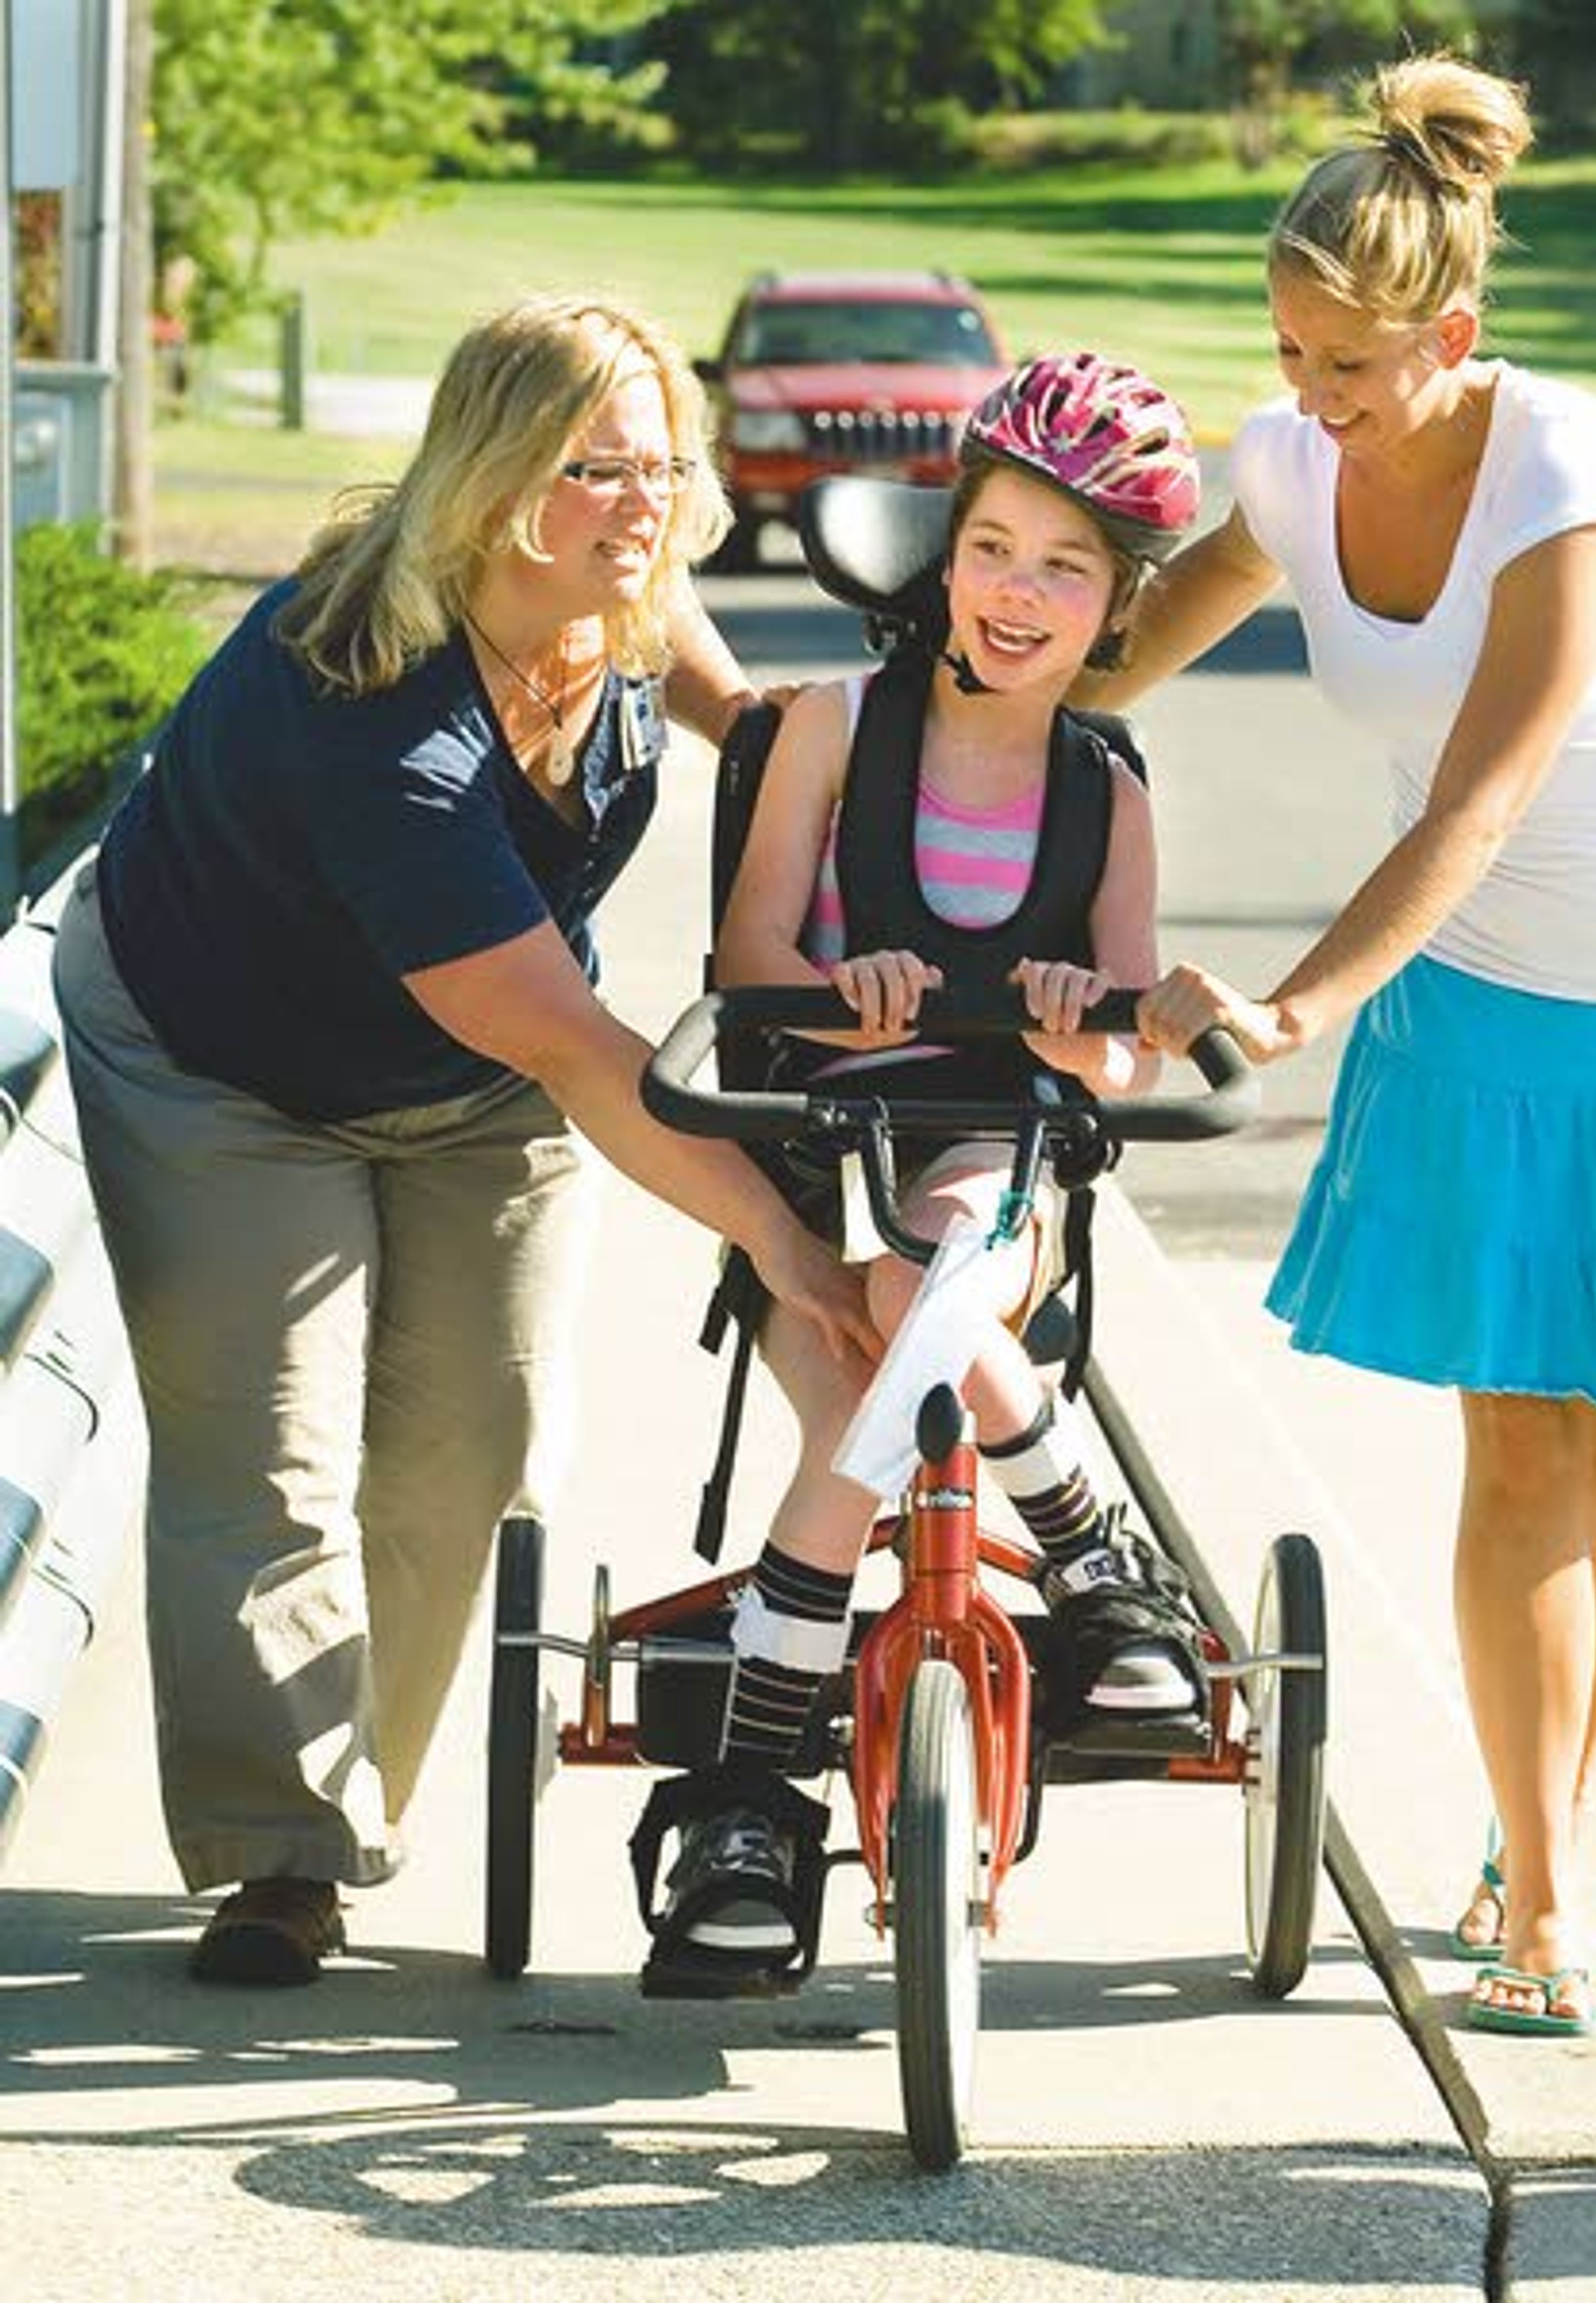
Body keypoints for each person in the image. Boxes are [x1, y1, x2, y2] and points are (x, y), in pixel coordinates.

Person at [1122, 58, 1596, 2038]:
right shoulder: (1289, 467)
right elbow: (1096, 653)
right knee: (1523, 1435)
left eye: (1347, 362)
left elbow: (1483, 798)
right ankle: (1540, 1887)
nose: (1306, 397)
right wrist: (933, 649)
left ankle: (1559, 1800)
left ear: (1451, 336)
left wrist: (1296, 1000)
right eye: (1286, 351)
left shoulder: (1565, 463)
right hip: (1480, 1000)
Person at [51, 294, 875, 1987]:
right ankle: (283, 1861)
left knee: (474, 1447)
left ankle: (361, 1794)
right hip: (224, 1055)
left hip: (474, 1062)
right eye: (595, 469)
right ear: (497, 478)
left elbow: (735, 702)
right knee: (264, 1455)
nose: (643, 503)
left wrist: (872, 753)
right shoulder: (374, 711)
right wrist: (784, 1242)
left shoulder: (619, 597)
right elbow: (581, 1053)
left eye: (660, 463)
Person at [637, 354, 1213, 1994]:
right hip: (820, 1144)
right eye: (996, 547)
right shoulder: (829, 726)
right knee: (870, 1358)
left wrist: (1081, 1032)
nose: (1020, 592)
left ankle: (748, 1799)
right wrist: (842, 985)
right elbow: (752, 947)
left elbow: (1119, 1036)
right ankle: (1092, 1559)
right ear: (943, 549)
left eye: (1069, 567)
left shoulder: (1102, 786)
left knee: (931, 1263)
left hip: (995, 1156)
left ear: (1114, 605)